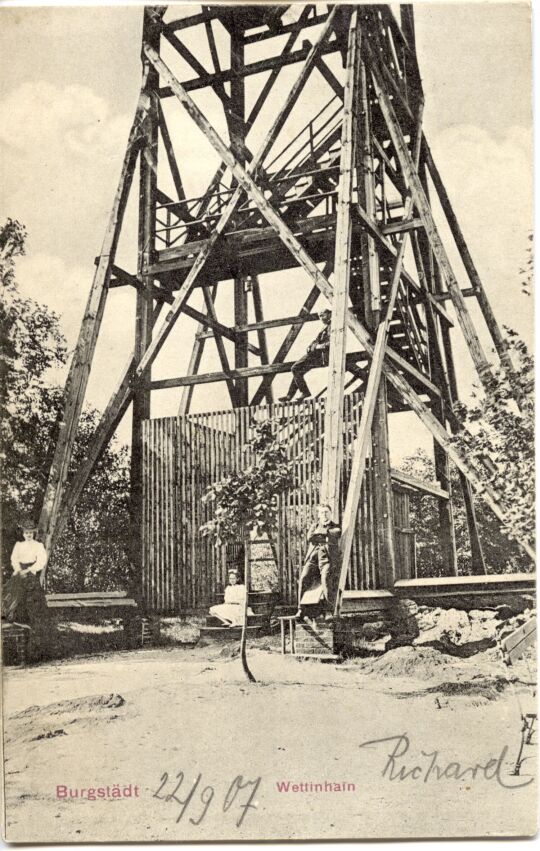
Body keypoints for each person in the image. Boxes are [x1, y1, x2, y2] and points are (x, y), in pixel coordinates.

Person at [3, 518, 52, 658]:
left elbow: (42, 561)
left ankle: (36, 650)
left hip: (31, 573)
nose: (29, 535)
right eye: (26, 532)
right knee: (11, 596)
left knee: (34, 602)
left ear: (34, 533)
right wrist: (19, 570)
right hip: (19, 574)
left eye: (31, 532)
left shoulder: (38, 546)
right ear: (23, 533)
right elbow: (14, 559)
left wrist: (30, 570)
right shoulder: (18, 545)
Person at [296, 504, 341, 623]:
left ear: (330, 513)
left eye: (326, 512)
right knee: (303, 578)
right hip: (313, 558)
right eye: (322, 513)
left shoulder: (335, 526)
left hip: (327, 558)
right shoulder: (314, 525)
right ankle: (301, 609)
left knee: (326, 578)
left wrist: (321, 534)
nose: (324, 515)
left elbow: (334, 534)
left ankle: (328, 611)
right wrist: (323, 535)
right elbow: (310, 537)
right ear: (319, 515)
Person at [279, 309, 332, 401]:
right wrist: (310, 346)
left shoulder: (332, 326)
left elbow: (332, 342)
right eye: (319, 316)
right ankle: (290, 396)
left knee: (295, 368)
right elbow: (317, 340)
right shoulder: (325, 326)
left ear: (329, 314)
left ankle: (304, 392)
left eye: (323, 315)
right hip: (315, 354)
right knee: (297, 371)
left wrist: (317, 347)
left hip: (320, 356)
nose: (321, 318)